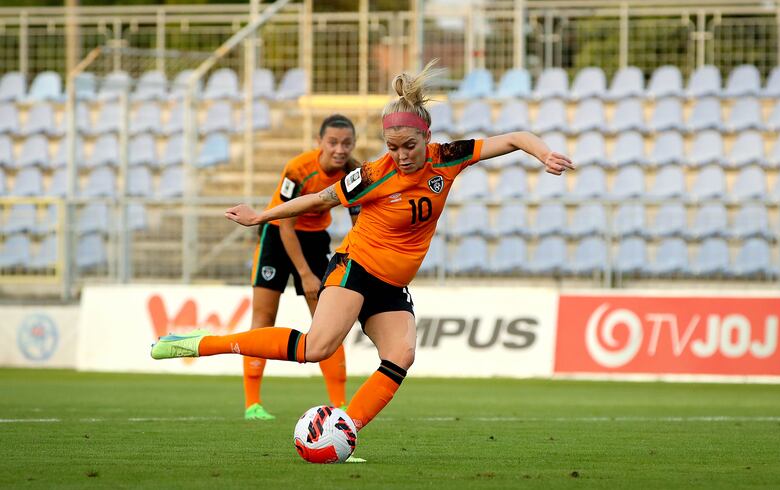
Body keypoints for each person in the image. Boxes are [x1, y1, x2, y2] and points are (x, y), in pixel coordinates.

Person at [152, 60, 573, 440]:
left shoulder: (448, 157)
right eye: (392, 147)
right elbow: (318, 201)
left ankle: (343, 432)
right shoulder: (372, 174)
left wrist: (544, 154)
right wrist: (260, 216)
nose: (401, 156)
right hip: (355, 268)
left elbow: (516, 137)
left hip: (392, 285)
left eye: (409, 146)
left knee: (401, 355)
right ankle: (202, 343)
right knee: (317, 348)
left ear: (426, 137)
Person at [242, 114, 360, 420]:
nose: (339, 149)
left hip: (315, 240)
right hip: (278, 235)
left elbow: (360, 222)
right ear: (318, 143)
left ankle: (340, 404)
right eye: (332, 142)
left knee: (326, 322)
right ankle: (253, 404)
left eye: (346, 143)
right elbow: (285, 225)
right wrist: (306, 274)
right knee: (263, 317)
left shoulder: (355, 174)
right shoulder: (298, 170)